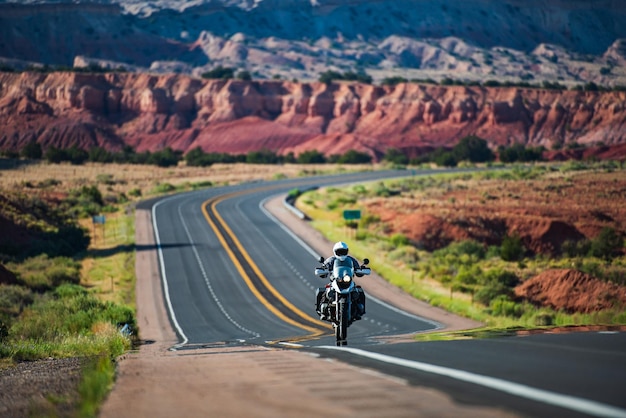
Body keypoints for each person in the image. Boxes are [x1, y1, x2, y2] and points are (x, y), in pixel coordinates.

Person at [316, 241, 366, 320]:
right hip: (335, 281)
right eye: (339, 252)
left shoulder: (351, 260)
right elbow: (324, 268)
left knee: (359, 291)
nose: (342, 254)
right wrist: (322, 270)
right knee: (321, 291)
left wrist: (361, 270)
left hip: (348, 281)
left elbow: (357, 269)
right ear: (335, 251)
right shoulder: (331, 260)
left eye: (343, 252)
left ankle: (359, 311)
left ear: (347, 251)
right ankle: (321, 310)